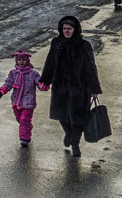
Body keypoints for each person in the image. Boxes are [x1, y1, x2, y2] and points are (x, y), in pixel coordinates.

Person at [39, 15, 102, 157]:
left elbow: (91, 67)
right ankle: (68, 133)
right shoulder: (56, 42)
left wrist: (94, 88)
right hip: (60, 85)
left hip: (80, 87)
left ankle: (75, 144)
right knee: (61, 114)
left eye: (69, 29)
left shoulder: (84, 45)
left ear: (75, 30)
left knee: (78, 118)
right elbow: (50, 61)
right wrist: (46, 80)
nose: (67, 31)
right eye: (64, 29)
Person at [0, 50, 49, 147]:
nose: (21, 62)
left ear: (27, 61)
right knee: (20, 119)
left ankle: (25, 139)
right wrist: (2, 91)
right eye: (19, 60)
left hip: (28, 102)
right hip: (16, 101)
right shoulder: (13, 73)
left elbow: (39, 83)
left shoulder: (33, 74)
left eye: (23, 60)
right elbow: (8, 83)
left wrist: (44, 86)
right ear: (16, 61)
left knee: (24, 120)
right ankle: (27, 127)